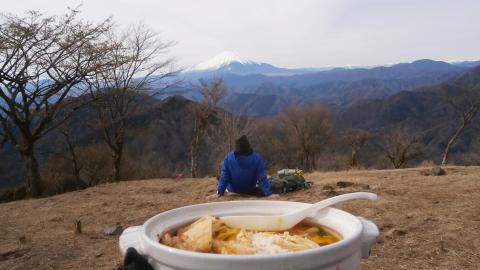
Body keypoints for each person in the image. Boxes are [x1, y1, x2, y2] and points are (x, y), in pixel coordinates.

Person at [206, 135, 275, 199]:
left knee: (220, 175)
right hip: (249, 190)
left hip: (232, 190)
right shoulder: (257, 158)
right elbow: (262, 178)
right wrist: (269, 194)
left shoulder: (228, 158)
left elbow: (224, 176)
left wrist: (219, 192)